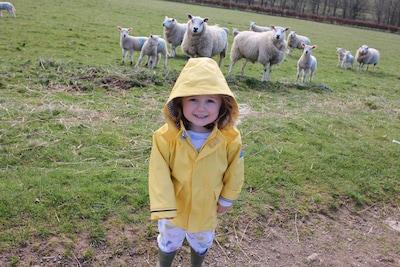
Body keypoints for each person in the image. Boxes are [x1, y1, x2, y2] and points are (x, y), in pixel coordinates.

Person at [148, 57, 244, 267]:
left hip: (206, 206)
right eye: (193, 99)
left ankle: (196, 264)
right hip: (174, 208)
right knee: (169, 240)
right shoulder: (165, 136)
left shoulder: (230, 137)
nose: (201, 108)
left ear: (222, 104)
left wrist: (227, 198)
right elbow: (158, 171)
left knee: (202, 240)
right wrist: (164, 206)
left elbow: (235, 169)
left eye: (210, 100)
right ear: (179, 101)